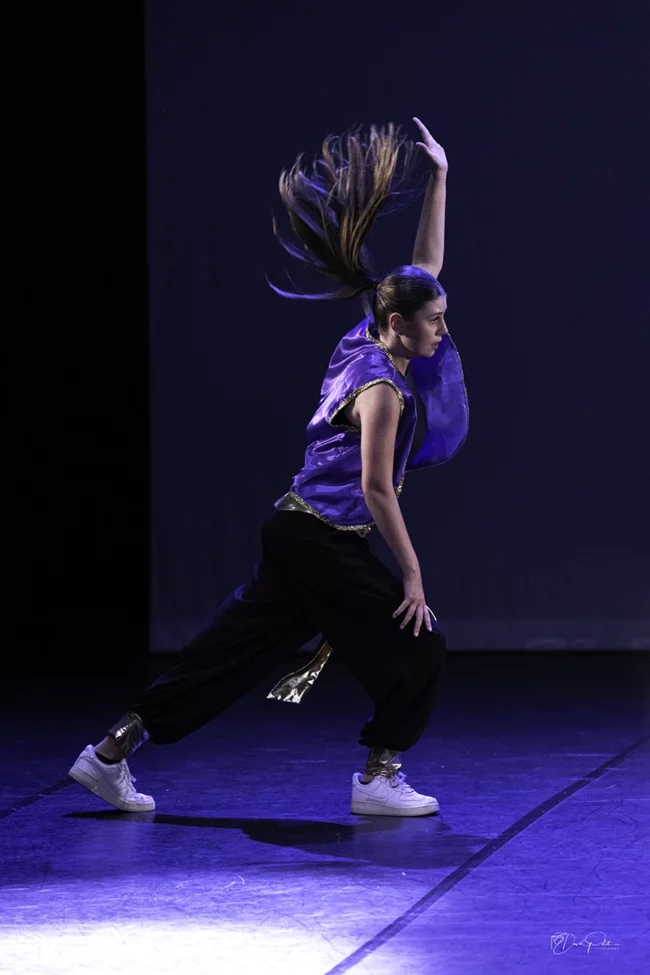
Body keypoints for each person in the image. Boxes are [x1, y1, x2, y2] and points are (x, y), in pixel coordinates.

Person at [69, 117, 469, 817]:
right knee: (421, 642)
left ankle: (109, 752)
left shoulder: (368, 333)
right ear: (401, 325)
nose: (442, 326)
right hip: (317, 537)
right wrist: (411, 570)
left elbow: (424, 270)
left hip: (295, 530)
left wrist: (440, 176)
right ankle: (379, 775)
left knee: (233, 654)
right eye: (434, 319)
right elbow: (376, 487)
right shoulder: (380, 388)